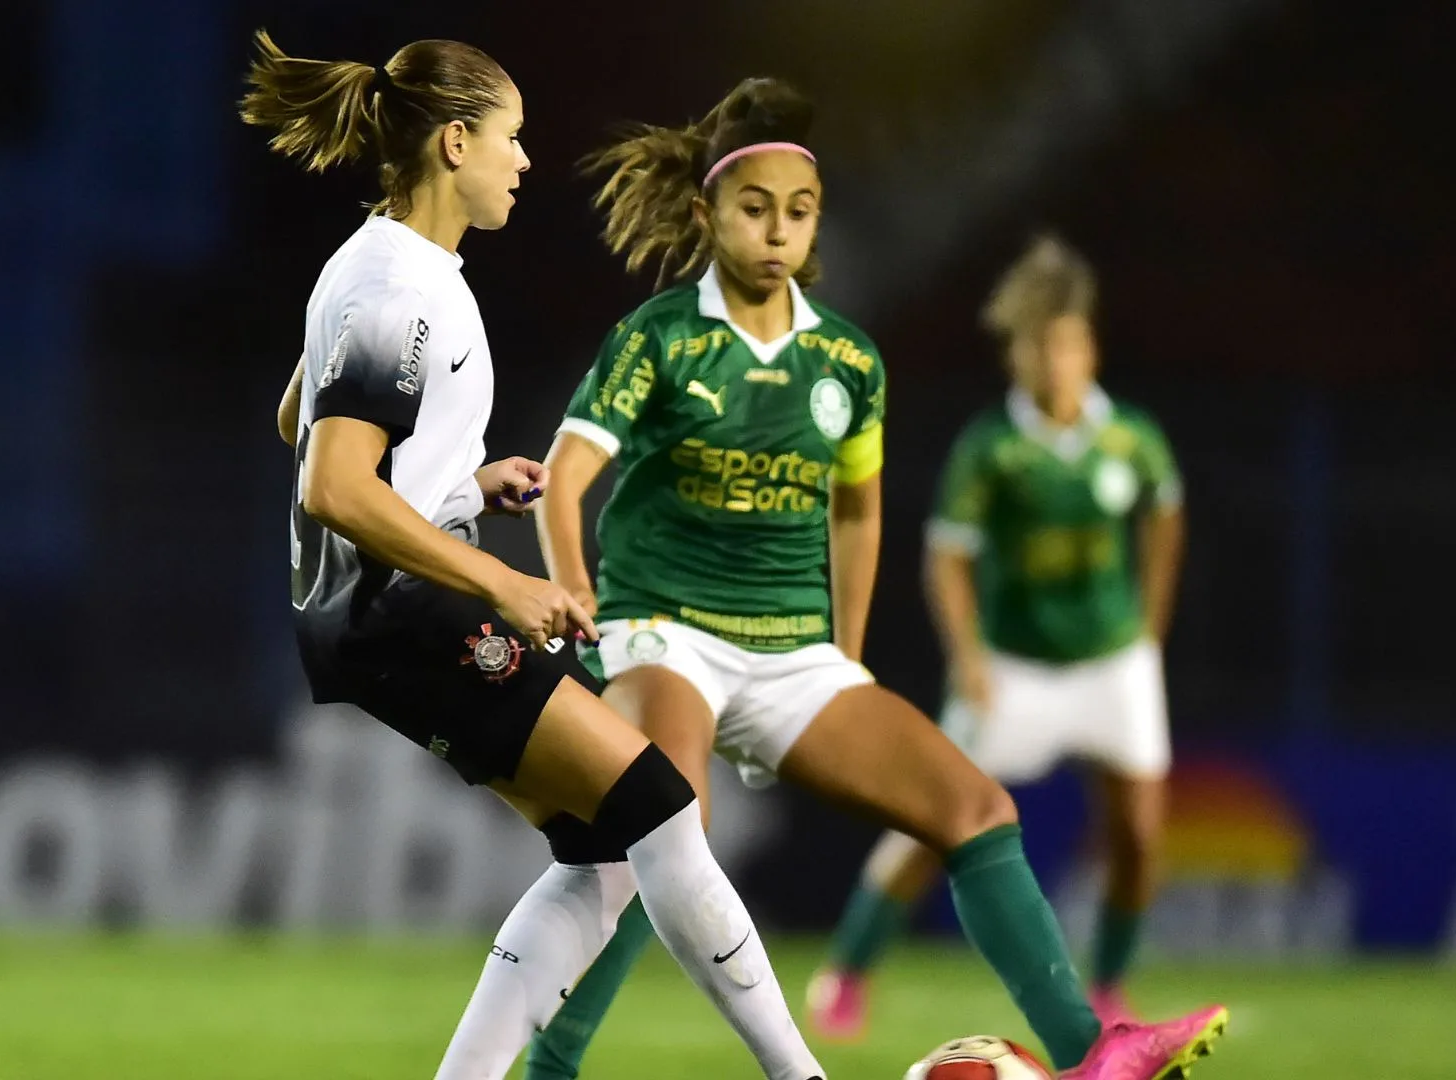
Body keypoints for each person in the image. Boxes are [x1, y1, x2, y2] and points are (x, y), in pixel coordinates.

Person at [523, 78, 1226, 1080]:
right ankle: (551, 1070)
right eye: (755, 209)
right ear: (706, 214)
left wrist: (842, 657)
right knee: (665, 826)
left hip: (792, 650)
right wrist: (573, 599)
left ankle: (1091, 1056)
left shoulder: (847, 362)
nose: (777, 232)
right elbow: (566, 480)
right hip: (661, 629)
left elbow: (859, 509)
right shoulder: (662, 339)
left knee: (977, 808)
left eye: (798, 214)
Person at [240, 33, 825, 1080]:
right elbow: (332, 484)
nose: (521, 161)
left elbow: (300, 420)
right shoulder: (399, 290)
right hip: (403, 609)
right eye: (510, 139)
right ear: (455, 141)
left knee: (606, 850)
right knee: (660, 808)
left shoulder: (369, 262)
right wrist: (503, 577)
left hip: (373, 609)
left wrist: (466, 488)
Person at [809, 234, 1189, 1037]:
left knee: (1140, 835)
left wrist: (1151, 625)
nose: (1053, 361)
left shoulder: (1132, 438)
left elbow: (1165, 515)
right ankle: (846, 970)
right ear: (1016, 353)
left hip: (1113, 660)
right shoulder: (992, 449)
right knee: (933, 821)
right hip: (1013, 669)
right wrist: (970, 657)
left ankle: (1112, 985)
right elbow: (946, 558)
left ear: (1087, 348)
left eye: (1066, 343)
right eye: (1036, 345)